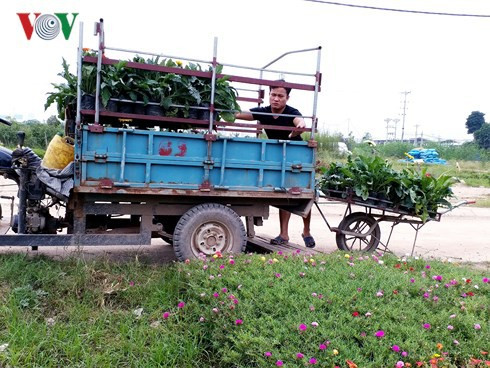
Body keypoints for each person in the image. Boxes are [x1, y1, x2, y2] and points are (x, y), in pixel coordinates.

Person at [235, 83, 315, 248]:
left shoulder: (291, 112)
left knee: (303, 193)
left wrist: (299, 127)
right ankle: (284, 234)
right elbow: (242, 114)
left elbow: (300, 121)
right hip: (278, 155)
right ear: (269, 95)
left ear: (287, 98)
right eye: (273, 95)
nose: (276, 99)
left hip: (297, 154)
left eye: (280, 96)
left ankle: (306, 231)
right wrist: (229, 113)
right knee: (284, 193)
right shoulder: (263, 112)